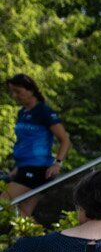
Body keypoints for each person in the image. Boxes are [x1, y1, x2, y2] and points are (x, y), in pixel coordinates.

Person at [6, 73, 70, 210]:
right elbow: (24, 142)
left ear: (31, 90)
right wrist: (18, 167)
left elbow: (64, 140)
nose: (14, 96)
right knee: (24, 213)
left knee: (3, 202)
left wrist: (57, 163)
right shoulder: (22, 112)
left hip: (38, 169)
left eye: (18, 91)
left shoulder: (44, 112)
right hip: (24, 167)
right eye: (12, 92)